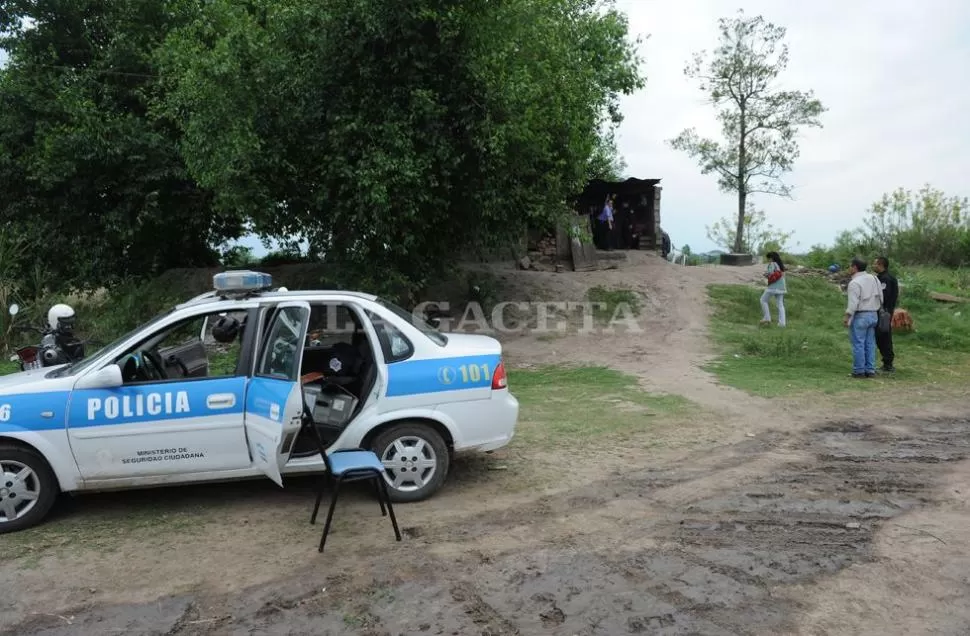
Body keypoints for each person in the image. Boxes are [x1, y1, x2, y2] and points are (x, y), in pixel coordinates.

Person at [843, 257, 884, 378]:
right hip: (873, 314)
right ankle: (870, 370)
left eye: (850, 266)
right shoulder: (874, 278)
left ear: (855, 267)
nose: (849, 268)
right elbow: (881, 296)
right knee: (870, 343)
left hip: (861, 315)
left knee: (858, 343)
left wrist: (847, 316)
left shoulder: (854, 283)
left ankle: (859, 371)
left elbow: (853, 303)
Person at [872, 256, 898, 373]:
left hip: (884, 312)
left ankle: (888, 363)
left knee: (883, 336)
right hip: (884, 311)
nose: (873, 266)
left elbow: (884, 297)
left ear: (881, 265)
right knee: (881, 336)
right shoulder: (883, 278)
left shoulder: (885, 279)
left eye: (875, 264)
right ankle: (887, 362)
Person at [759, 251, 787, 327]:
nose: (768, 260)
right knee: (780, 305)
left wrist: (766, 274)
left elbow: (770, 274)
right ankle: (782, 324)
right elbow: (781, 275)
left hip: (773, 286)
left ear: (771, 258)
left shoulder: (772, 264)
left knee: (763, 300)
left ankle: (767, 318)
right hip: (781, 287)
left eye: (769, 258)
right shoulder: (780, 265)